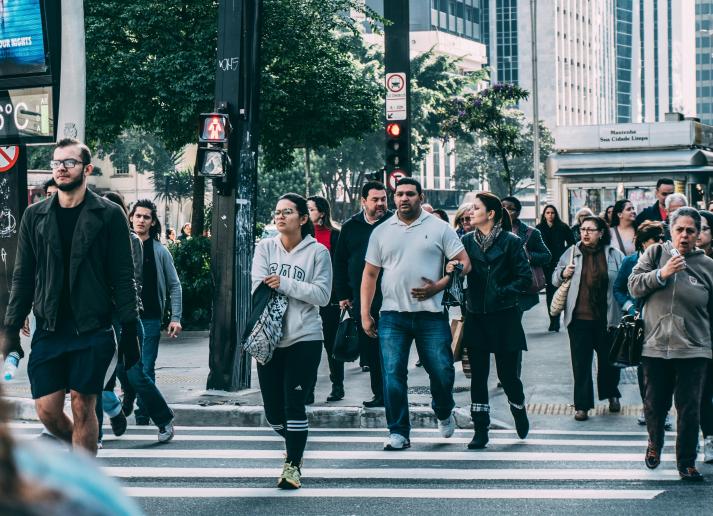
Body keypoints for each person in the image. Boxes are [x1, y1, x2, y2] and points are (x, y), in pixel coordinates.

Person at [0, 138, 139, 455]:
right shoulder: (35, 216)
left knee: (82, 403)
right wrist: (9, 329)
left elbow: (123, 275)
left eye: (69, 162)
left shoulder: (109, 214)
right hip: (49, 328)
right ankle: (80, 450)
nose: (61, 168)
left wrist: (130, 329)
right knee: (47, 410)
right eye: (56, 163)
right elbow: (22, 276)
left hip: (92, 328)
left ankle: (84, 478)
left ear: (87, 169)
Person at [361, 178, 471, 451]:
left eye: (410, 194)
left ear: (420, 197)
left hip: (431, 315)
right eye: (399, 194)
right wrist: (364, 313)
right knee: (392, 374)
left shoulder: (440, 228)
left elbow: (465, 263)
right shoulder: (381, 231)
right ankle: (398, 431)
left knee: (443, 372)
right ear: (394, 197)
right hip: (392, 316)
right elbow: (370, 274)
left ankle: (444, 410)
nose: (404, 198)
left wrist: (439, 285)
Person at [252, 192, 332, 489]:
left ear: (302, 218)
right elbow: (258, 288)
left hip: (305, 336)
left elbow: (322, 295)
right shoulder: (265, 248)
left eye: (287, 211)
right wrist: (292, 287)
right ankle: (296, 441)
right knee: (274, 413)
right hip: (269, 338)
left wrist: (284, 283)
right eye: (277, 211)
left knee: (294, 403)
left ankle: (293, 465)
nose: (280, 216)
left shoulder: (317, 253)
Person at [629, 207, 713, 481]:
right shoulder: (654, 254)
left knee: (690, 407)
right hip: (655, 345)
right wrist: (662, 274)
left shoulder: (707, 266)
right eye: (680, 230)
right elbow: (634, 285)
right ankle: (654, 442)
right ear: (670, 231)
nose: (685, 235)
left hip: (694, 348)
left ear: (699, 234)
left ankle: (686, 462)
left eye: (691, 230)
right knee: (655, 403)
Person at [99, 192, 175, 444]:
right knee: (96, 376)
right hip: (98, 318)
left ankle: (163, 418)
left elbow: (132, 282)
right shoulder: (93, 238)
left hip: (128, 317)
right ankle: (95, 432)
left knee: (135, 373)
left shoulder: (132, 241)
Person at [459, 192, 532, 449]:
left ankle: (518, 408)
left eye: (476, 208)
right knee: (478, 376)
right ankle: (481, 429)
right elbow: (459, 273)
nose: (470, 212)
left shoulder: (511, 242)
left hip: (504, 316)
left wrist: (501, 292)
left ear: (490, 214)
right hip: (476, 315)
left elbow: (525, 278)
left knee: (508, 375)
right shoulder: (466, 241)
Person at [553, 216, 624, 422]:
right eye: (582, 229)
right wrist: (563, 273)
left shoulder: (613, 255)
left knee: (609, 362)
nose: (585, 233)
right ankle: (582, 406)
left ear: (601, 233)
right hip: (579, 319)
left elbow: (624, 281)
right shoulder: (572, 253)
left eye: (590, 230)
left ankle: (611, 394)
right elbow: (554, 278)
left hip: (607, 319)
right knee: (581, 364)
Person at [333, 182, 393, 408]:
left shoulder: (394, 223)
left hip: (392, 297)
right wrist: (343, 295)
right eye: (375, 199)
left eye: (384, 199)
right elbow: (340, 262)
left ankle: (393, 394)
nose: (380, 204)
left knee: (391, 350)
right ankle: (379, 393)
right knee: (370, 350)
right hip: (362, 299)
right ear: (363, 201)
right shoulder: (351, 227)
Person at [126, 199, 182, 425]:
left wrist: (176, 317)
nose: (141, 220)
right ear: (130, 218)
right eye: (137, 216)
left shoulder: (160, 251)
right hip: (124, 319)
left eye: (146, 217)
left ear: (152, 222)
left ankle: (143, 415)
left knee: (146, 368)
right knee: (125, 369)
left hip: (149, 318)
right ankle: (128, 395)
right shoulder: (121, 246)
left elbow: (174, 285)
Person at [612, 221, 669, 428]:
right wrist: (629, 307)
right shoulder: (630, 262)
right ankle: (648, 408)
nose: (662, 242)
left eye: (663, 237)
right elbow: (618, 288)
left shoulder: (668, 260)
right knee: (645, 369)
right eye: (657, 238)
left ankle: (662, 411)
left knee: (665, 367)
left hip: (664, 322)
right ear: (645, 243)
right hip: (641, 324)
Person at [306, 195, 343, 403]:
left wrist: (343, 297)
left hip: (330, 300)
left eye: (310, 209)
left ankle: (338, 385)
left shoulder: (335, 235)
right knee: (308, 346)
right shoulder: (301, 237)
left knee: (331, 345)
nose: (307, 213)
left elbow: (339, 269)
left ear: (321, 212)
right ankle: (308, 389)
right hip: (306, 299)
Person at [501, 196, 551, 314]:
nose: (505, 211)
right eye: (502, 207)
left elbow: (546, 255)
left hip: (518, 285)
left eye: (510, 208)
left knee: (512, 324)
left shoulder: (531, 232)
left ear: (518, 213)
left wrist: (528, 256)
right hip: (497, 285)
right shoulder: (491, 230)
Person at [536, 204, 576, 332]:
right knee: (549, 293)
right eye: (547, 213)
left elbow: (572, 244)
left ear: (555, 214)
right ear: (544, 214)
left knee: (559, 291)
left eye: (552, 212)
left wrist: (563, 253)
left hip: (559, 263)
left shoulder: (562, 227)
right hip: (545, 264)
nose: (550, 215)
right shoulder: (539, 228)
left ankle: (557, 320)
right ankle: (553, 320)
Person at [696, 210, 713, 464]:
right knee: (702, 391)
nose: (697, 234)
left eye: (702, 228)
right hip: (698, 338)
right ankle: (709, 437)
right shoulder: (682, 261)